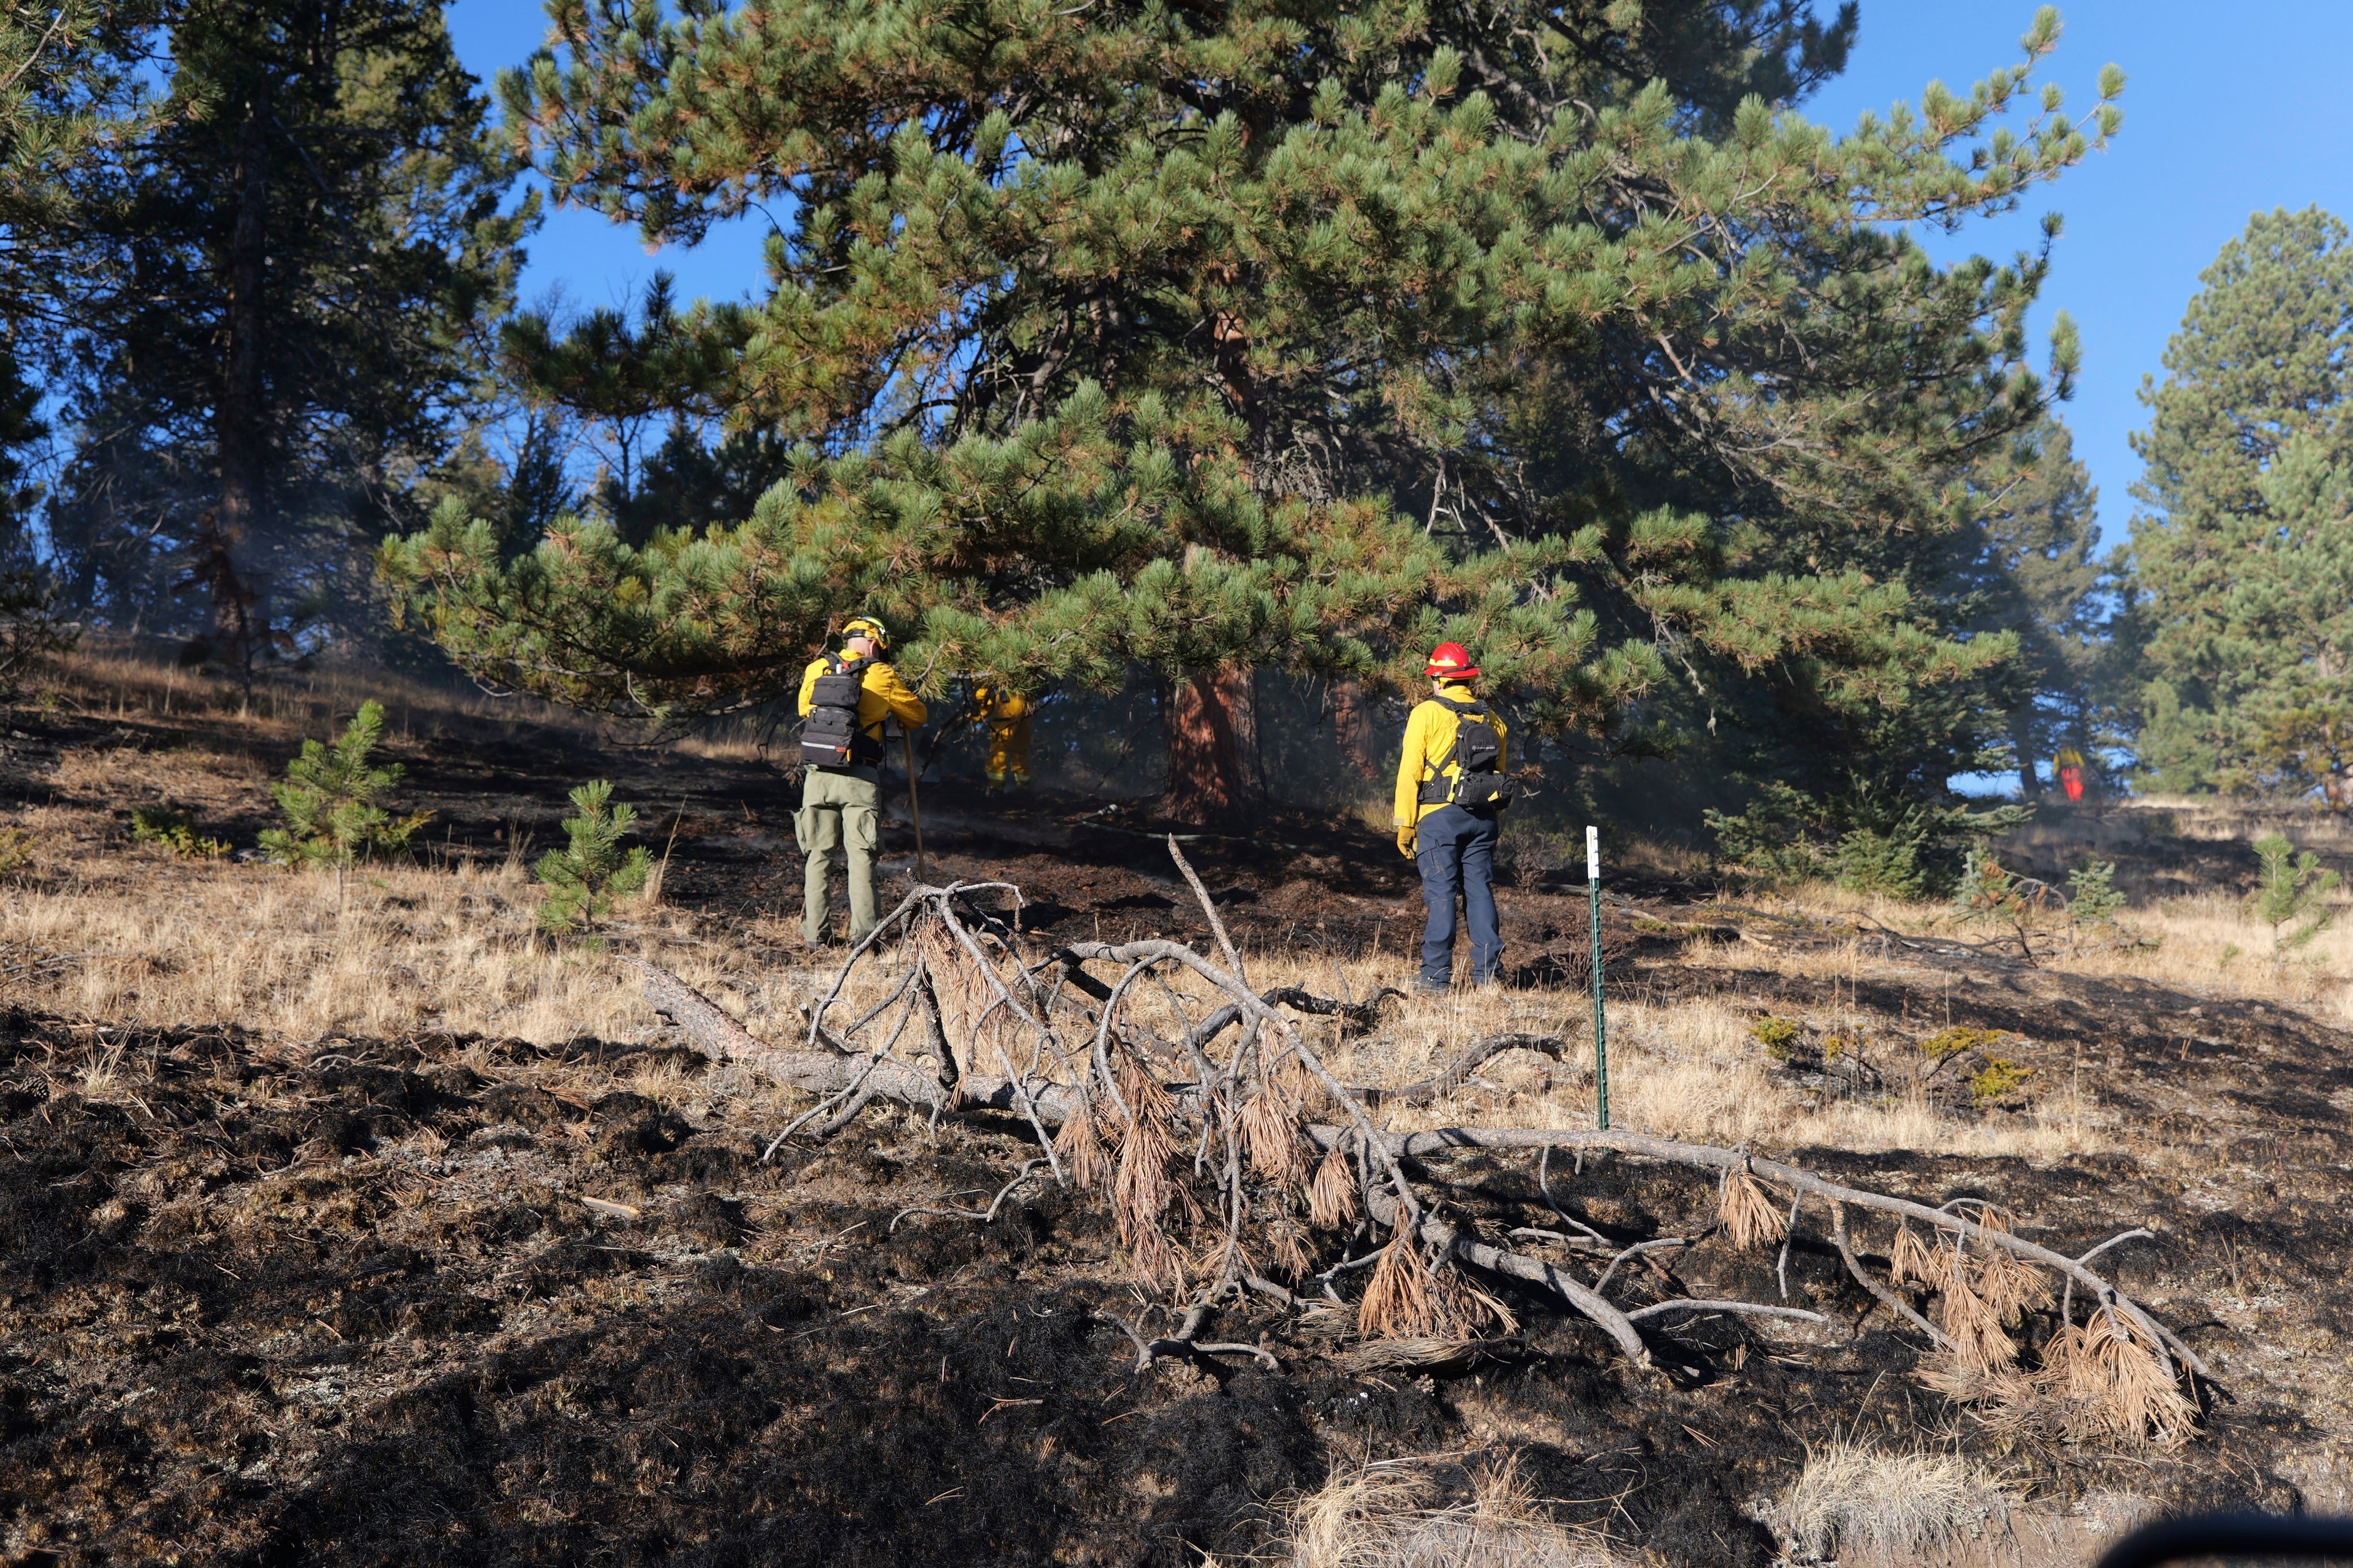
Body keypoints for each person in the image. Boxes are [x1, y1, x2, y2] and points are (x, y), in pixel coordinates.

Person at [795, 615, 927, 947]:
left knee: (817, 856)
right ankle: (865, 938)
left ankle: (815, 935)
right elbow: (917, 716)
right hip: (859, 778)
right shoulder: (881, 674)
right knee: (861, 858)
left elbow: (803, 709)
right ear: (873, 643)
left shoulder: (816, 669)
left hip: (818, 777)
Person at [1393, 642, 1512, 992]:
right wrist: (1493, 823)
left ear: (1442, 679)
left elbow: (1409, 774)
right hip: (1484, 820)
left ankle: (1434, 977)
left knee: (1441, 894)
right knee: (1479, 892)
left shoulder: (1426, 714)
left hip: (1439, 819)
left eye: (1433, 677)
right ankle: (1488, 976)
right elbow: (1500, 776)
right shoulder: (1494, 720)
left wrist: (1405, 825)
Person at [971, 683, 1033, 791]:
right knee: (1020, 750)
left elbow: (982, 692)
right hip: (1026, 706)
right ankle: (1024, 789)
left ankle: (995, 788)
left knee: (999, 749)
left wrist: (975, 711)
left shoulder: (979, 668)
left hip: (1007, 709)